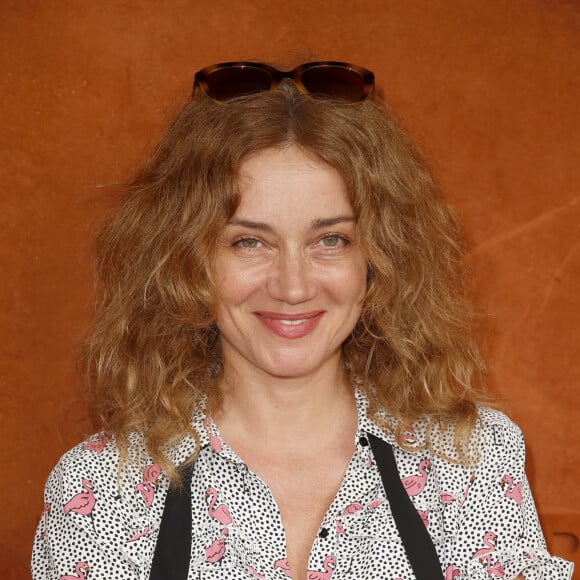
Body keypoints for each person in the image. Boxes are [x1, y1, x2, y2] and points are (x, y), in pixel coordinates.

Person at [32, 61, 573, 580]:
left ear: (379, 257)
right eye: (249, 241)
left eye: (330, 240)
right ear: (186, 261)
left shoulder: (473, 461)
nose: (293, 286)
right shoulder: (100, 492)